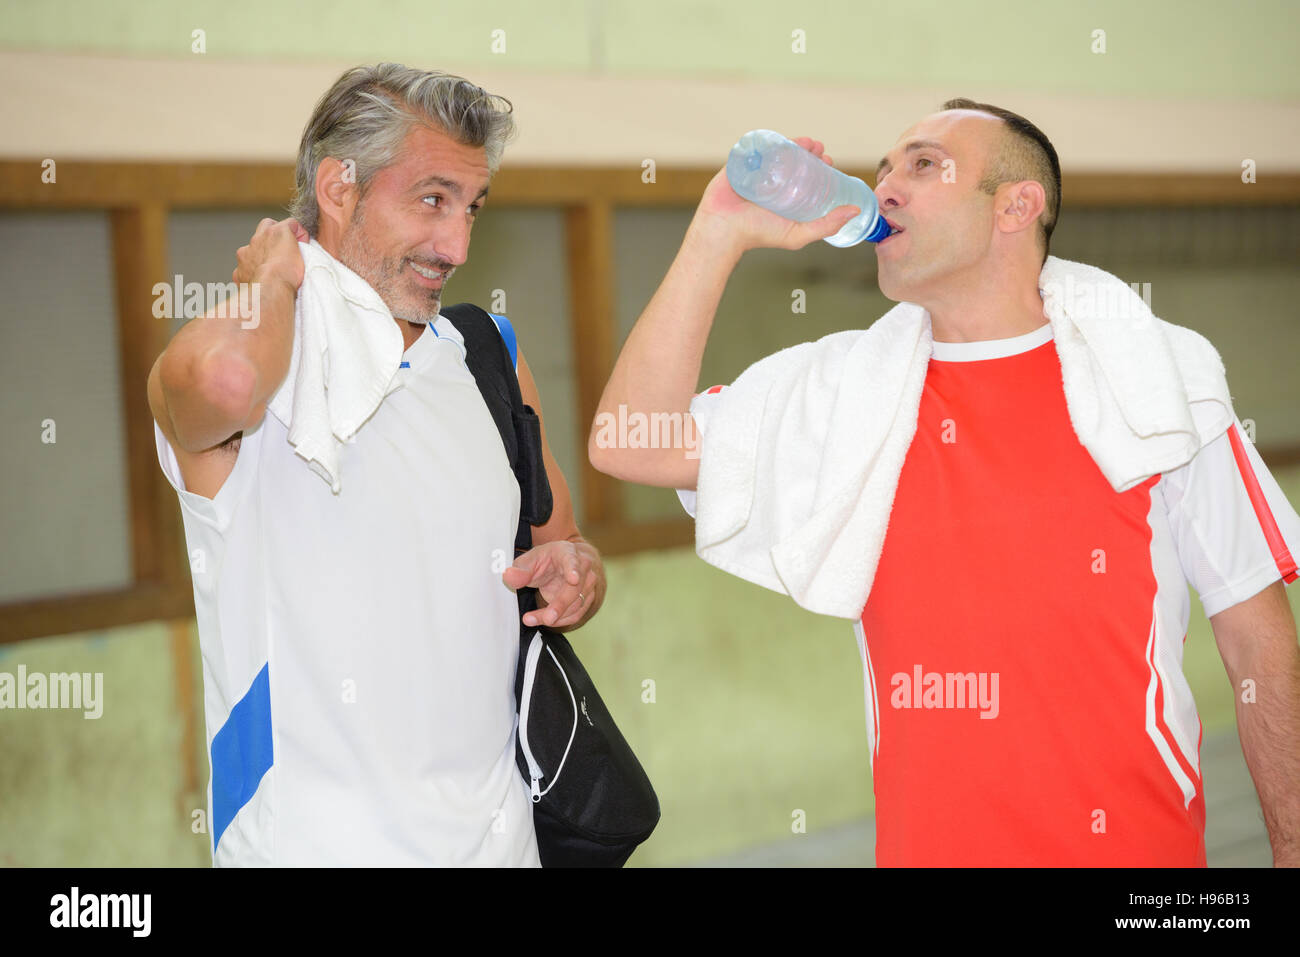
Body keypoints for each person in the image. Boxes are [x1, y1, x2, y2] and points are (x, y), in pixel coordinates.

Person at [590, 99, 1300, 866]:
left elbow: (1256, 640)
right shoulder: (847, 398)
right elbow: (632, 443)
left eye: (923, 165)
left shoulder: (1160, 383)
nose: (886, 186)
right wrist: (718, 229)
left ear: (1016, 206)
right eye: (885, 168)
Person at [147, 63, 605, 866]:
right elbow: (225, 384)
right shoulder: (253, 353)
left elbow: (565, 545)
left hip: (500, 845)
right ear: (338, 187)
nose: (457, 243)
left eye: (471, 207)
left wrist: (577, 572)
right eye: (432, 200)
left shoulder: (487, 356)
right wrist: (275, 286)